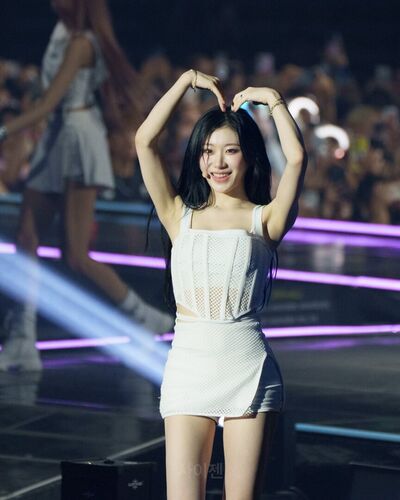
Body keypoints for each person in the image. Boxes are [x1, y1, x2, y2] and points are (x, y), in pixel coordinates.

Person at [135, 69, 307, 499]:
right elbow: (144, 141)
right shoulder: (178, 215)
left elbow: (297, 159)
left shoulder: (265, 219)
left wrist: (274, 100)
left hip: (248, 371)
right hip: (188, 371)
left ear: (248, 156)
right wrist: (183, 82)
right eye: (208, 151)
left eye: (231, 150)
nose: (218, 163)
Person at [0, 0, 172, 372]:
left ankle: (144, 316)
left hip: (77, 138)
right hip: (57, 136)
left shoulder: (82, 43)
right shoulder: (63, 33)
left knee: (75, 255)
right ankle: (22, 341)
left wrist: (3, 130)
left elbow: (48, 103)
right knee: (26, 238)